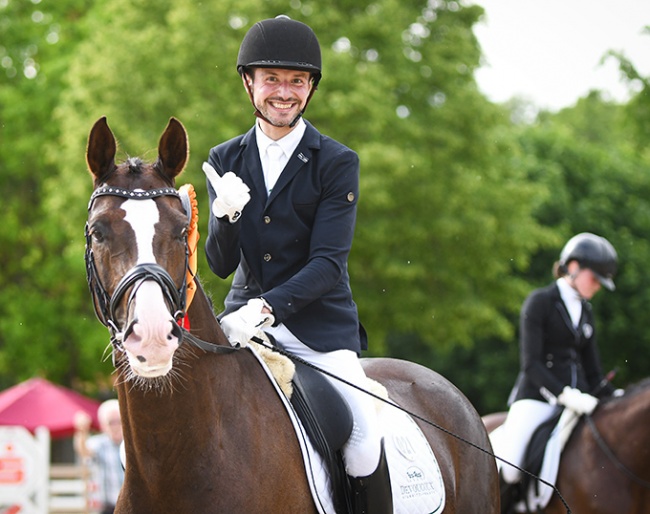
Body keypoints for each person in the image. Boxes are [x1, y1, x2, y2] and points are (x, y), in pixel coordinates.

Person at [203, 15, 391, 514]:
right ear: (249, 83)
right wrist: (225, 216)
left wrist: (265, 310)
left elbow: (328, 264)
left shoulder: (335, 161)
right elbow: (219, 265)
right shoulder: (224, 158)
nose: (283, 92)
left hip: (316, 328)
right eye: (272, 79)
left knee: (364, 434)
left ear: (310, 88)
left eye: (297, 81)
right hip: (242, 325)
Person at [492, 233, 618, 498]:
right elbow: (531, 364)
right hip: (537, 397)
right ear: (573, 267)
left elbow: (594, 371)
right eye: (594, 278)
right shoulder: (540, 302)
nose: (596, 287)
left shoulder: (586, 312)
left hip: (579, 402)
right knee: (513, 467)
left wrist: (614, 397)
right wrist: (564, 393)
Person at [74, 399, 124, 514]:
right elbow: (83, 451)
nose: (115, 426)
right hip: (106, 506)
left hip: (130, 504)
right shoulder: (99, 444)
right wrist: (81, 431)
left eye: (119, 421)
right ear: (103, 425)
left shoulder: (131, 445)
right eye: (111, 422)